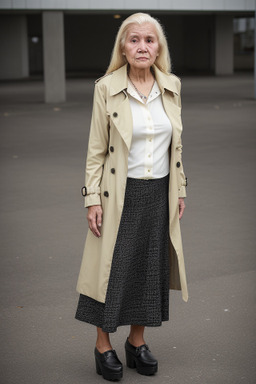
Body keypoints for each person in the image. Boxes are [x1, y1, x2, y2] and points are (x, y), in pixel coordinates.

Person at [75, 12, 188, 381]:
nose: (142, 46)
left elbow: (178, 147)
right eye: (134, 39)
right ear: (123, 47)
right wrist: (92, 198)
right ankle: (103, 344)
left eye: (149, 40)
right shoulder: (107, 87)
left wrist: (180, 189)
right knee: (110, 271)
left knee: (148, 269)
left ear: (159, 48)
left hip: (159, 191)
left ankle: (136, 342)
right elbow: (96, 149)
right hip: (117, 193)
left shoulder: (171, 85)